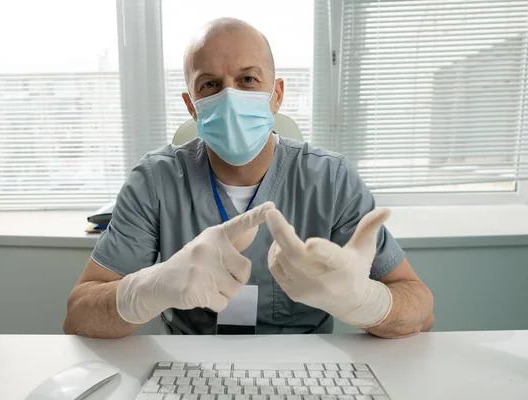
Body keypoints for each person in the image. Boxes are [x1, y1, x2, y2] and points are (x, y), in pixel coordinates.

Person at [63, 18, 434, 339]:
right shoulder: (155, 180)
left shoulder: (331, 179)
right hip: (190, 366)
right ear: (191, 105)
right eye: (209, 84)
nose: (230, 96)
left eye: (248, 79)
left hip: (305, 365)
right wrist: (150, 288)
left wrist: (363, 302)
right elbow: (78, 317)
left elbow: (422, 311)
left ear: (277, 95)